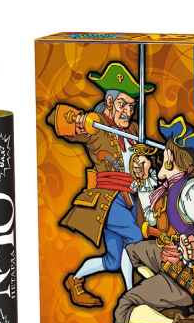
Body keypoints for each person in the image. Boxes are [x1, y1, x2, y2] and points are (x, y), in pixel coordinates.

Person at [114, 115, 194, 323]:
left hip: (187, 273)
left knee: (122, 311)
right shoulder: (168, 188)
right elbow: (152, 218)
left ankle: (183, 320)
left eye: (166, 152)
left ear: (172, 159)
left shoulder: (192, 189)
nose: (161, 156)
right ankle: (173, 308)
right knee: (132, 252)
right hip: (166, 255)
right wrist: (143, 183)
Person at [46, 62, 155, 308]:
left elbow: (141, 161)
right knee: (137, 240)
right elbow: (56, 119)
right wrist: (78, 120)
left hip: (130, 200)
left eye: (132, 105)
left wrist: (144, 163)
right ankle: (134, 296)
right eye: (122, 104)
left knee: (114, 260)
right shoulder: (96, 125)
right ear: (109, 102)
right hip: (108, 200)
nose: (128, 111)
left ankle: (75, 280)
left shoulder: (134, 130)